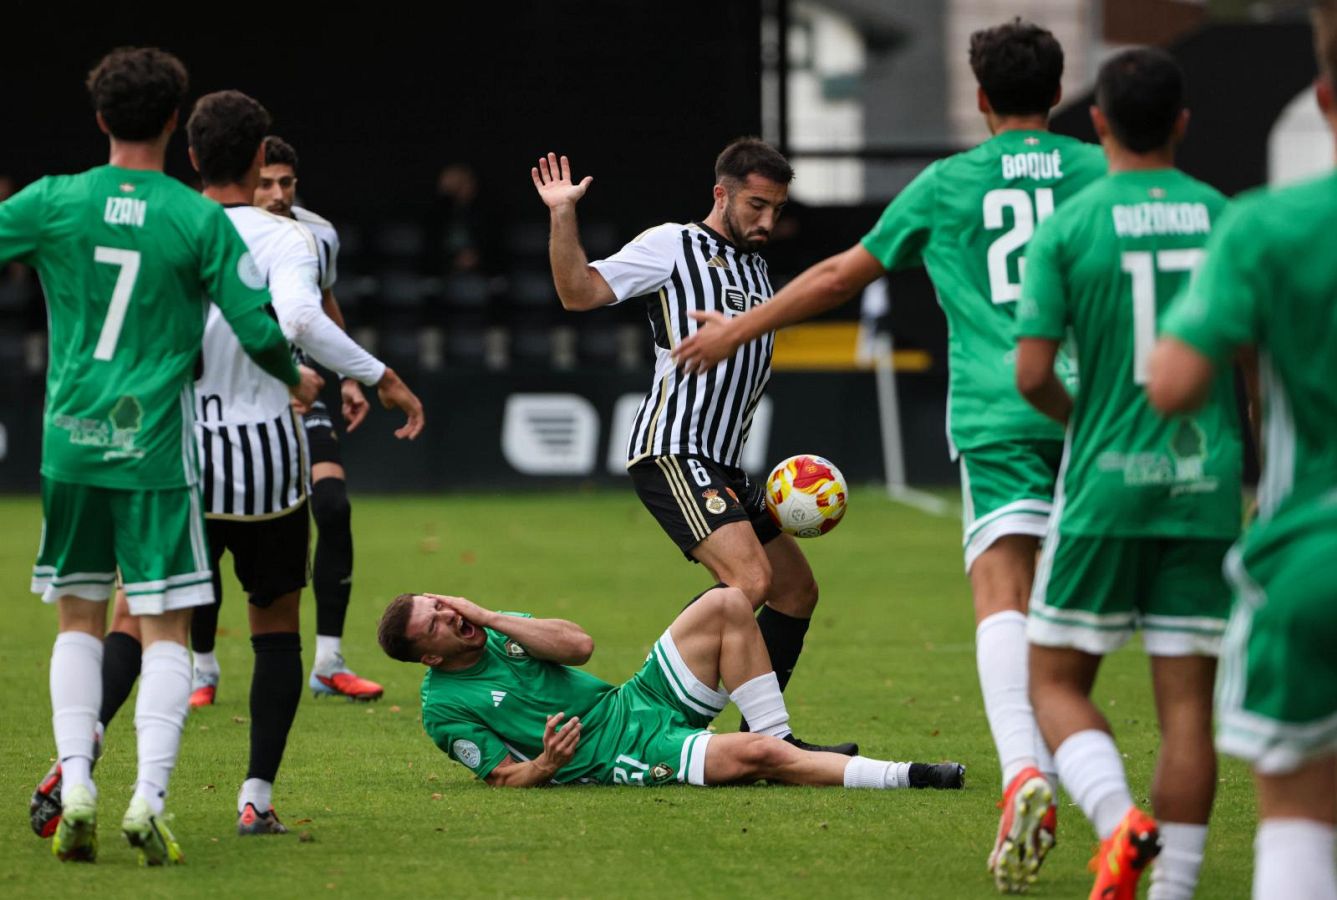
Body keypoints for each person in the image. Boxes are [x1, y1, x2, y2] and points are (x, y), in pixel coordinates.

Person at [671, 20, 1105, 889]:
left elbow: (839, 276)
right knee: (1101, 618)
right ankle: (1117, 803)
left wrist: (736, 332)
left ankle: (1026, 771)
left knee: (1001, 595)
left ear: (979, 98)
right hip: (1105, 416)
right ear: (1058, 95)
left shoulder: (948, 183)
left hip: (1000, 412)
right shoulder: (1104, 174)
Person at [1, 46, 317, 865]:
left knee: (80, 616)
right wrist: (298, 377)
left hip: (70, 442)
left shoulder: (55, 201)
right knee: (167, 625)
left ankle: (76, 783)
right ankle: (146, 798)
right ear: (176, 123)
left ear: (102, 119)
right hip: (152, 449)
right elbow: (256, 328)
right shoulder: (195, 217)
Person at [530, 139, 852, 755]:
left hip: (726, 465)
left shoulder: (755, 267)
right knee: (749, 580)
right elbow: (579, 293)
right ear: (720, 194)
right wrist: (562, 213)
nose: (767, 221)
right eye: (756, 205)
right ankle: (666, 729)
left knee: (794, 591)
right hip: (674, 450)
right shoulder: (672, 245)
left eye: (777, 210)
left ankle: (760, 735)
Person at [1014, 48, 1241, 900]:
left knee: (1054, 682)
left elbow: (1032, 375)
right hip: (1205, 488)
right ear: (1181, 123)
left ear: (1099, 122)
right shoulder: (1225, 219)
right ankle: (1173, 890)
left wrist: (1091, 424)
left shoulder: (1068, 228)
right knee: (1187, 708)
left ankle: (1118, 824)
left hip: (1105, 484)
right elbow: (1250, 365)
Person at [1147, 5, 1337, 897]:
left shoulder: (1266, 229)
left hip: (1314, 560)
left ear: (1323, 98)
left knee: (1299, 820)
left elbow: (1173, 384)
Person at [377, 587, 965, 791]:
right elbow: (503, 777)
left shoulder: (492, 627)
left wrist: (492, 615)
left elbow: (580, 646)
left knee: (728, 603)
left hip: (632, 700)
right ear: (428, 654)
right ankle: (910, 774)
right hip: (613, 752)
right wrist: (547, 765)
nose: (449, 616)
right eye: (435, 622)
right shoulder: (443, 710)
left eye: (440, 605)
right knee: (756, 758)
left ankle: (784, 738)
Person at [187, 134, 385, 708]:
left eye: (286, 183)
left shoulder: (316, 233)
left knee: (334, 507)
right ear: (250, 178)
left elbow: (322, 306)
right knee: (214, 532)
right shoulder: (216, 228)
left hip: (305, 385)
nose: (276, 193)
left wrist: (349, 374)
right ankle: (203, 669)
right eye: (266, 182)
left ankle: (328, 662)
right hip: (236, 395)